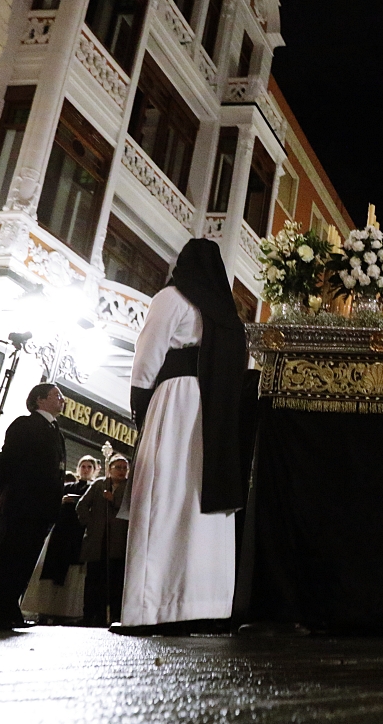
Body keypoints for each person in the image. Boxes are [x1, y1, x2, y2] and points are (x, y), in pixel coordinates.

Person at [117, 239, 248, 634]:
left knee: (161, 497)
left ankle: (148, 608)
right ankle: (200, 603)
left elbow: (147, 357)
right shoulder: (228, 316)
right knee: (196, 506)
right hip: (212, 412)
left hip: (175, 401)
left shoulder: (171, 298)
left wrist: (140, 400)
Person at [0, 384, 67, 629]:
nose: (62, 399)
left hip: (43, 510)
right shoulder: (25, 424)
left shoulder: (57, 432)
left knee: (26, 560)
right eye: (57, 395)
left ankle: (9, 608)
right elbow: (7, 459)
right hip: (21, 506)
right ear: (39, 399)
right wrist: (4, 491)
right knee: (10, 556)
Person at [19, 458, 95, 623]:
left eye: (89, 467)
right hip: (61, 533)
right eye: (83, 466)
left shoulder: (94, 488)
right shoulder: (66, 487)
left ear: (95, 470)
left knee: (74, 573)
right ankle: (46, 609)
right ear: (78, 468)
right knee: (51, 568)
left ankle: (70, 612)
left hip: (79, 534)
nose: (86, 469)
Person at [77, 454, 129, 626]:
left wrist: (113, 500)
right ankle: (90, 614)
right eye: (118, 467)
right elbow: (82, 505)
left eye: (124, 468)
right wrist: (91, 523)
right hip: (98, 539)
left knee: (115, 579)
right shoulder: (99, 484)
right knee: (93, 579)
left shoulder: (130, 487)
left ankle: (114, 615)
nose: (122, 471)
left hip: (118, 539)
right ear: (109, 469)